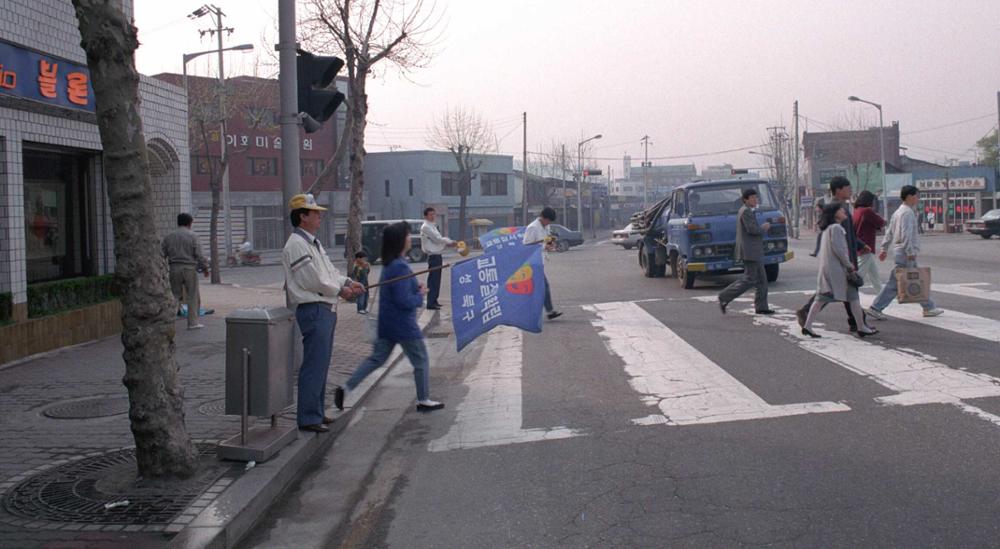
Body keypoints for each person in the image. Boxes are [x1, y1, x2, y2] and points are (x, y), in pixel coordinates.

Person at [335, 222, 445, 413]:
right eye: (408, 236)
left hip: (386, 323)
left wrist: (414, 288)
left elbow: (398, 293)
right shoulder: (400, 267)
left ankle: (346, 388)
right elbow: (404, 301)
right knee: (420, 360)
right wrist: (420, 295)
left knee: (376, 359)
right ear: (400, 241)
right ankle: (423, 399)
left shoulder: (390, 265)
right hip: (403, 325)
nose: (410, 239)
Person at [282, 193, 365, 433]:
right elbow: (313, 280)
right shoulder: (296, 244)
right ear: (302, 216)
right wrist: (342, 290)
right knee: (314, 365)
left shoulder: (312, 243)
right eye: (314, 212)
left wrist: (348, 281)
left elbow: (328, 271)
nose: (319, 216)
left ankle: (316, 412)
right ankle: (308, 417)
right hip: (313, 308)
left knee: (321, 363)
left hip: (325, 308)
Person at [796, 177, 869, 332]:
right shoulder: (835, 209)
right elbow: (832, 237)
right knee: (838, 291)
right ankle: (858, 323)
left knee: (839, 291)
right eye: (847, 188)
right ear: (838, 190)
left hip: (846, 256)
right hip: (841, 259)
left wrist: (860, 245)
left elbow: (850, 234)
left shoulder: (842, 207)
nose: (850, 191)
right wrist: (846, 261)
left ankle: (857, 322)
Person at [866, 185, 944, 320]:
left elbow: (889, 232)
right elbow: (905, 234)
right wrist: (910, 251)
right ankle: (876, 307)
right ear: (909, 196)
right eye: (917, 196)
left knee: (913, 279)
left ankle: (928, 306)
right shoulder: (907, 213)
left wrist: (884, 248)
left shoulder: (898, 212)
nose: (918, 199)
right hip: (904, 252)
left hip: (900, 251)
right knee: (898, 282)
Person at [718, 188, 774, 315]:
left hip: (753, 251)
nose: (755, 200)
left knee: (761, 280)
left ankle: (761, 307)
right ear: (745, 200)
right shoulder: (745, 212)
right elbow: (752, 230)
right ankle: (724, 296)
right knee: (749, 279)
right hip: (750, 251)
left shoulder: (747, 211)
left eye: (756, 197)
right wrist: (763, 228)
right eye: (752, 198)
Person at [161, 213, 207, 330]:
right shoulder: (193, 236)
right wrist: (205, 268)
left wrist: (163, 269)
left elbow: (161, 254)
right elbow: (199, 255)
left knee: (174, 295)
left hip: (174, 268)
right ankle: (193, 323)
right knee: (192, 295)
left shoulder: (169, 236)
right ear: (189, 223)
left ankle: (169, 321)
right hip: (189, 268)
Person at [523, 207, 562, 320]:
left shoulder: (546, 226)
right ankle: (549, 311)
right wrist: (543, 243)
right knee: (544, 286)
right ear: (543, 217)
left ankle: (539, 311)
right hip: (532, 262)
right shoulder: (532, 228)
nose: (548, 223)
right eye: (548, 220)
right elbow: (526, 245)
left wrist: (550, 244)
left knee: (536, 288)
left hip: (541, 260)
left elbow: (547, 240)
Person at [420, 207, 456, 310]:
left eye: (434, 214)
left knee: (437, 279)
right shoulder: (426, 227)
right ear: (426, 216)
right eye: (430, 214)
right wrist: (450, 242)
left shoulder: (432, 225)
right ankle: (431, 302)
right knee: (433, 280)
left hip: (437, 255)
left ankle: (434, 300)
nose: (433, 216)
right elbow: (437, 239)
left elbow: (439, 240)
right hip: (433, 256)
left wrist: (448, 243)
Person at [852, 190, 885, 293]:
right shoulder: (867, 211)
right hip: (865, 247)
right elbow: (881, 222)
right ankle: (849, 292)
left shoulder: (857, 211)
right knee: (858, 276)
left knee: (874, 275)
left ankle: (881, 295)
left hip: (859, 246)